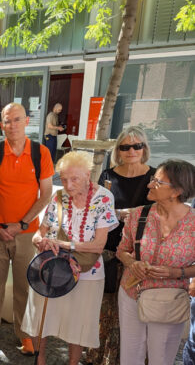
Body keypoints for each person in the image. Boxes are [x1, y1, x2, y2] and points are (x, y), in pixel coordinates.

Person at [21, 151, 118, 365]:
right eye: (64, 179)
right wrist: (39, 241)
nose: (68, 184)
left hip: (87, 272)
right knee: (40, 318)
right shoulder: (58, 196)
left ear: (88, 174)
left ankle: (73, 363)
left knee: (79, 324)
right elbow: (39, 232)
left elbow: (98, 245)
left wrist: (64, 245)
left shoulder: (103, 197)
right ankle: (41, 360)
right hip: (52, 266)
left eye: (74, 178)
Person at [0, 102, 54, 355]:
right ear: (2, 124)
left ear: (27, 121)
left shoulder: (41, 153)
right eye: (7, 121)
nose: (12, 125)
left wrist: (20, 224)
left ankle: (24, 333)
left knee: (24, 285)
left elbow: (45, 195)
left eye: (17, 119)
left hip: (25, 233)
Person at [87, 125, 155, 365]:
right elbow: (95, 208)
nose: (131, 151)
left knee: (137, 310)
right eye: (125, 147)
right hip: (110, 249)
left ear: (144, 148)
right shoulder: (108, 176)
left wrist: (134, 214)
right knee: (107, 307)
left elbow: (161, 210)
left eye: (137, 146)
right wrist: (116, 213)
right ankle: (103, 356)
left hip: (142, 252)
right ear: (118, 150)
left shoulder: (155, 177)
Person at [116, 159, 195, 365]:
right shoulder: (138, 215)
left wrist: (176, 273)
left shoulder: (193, 224)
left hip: (168, 301)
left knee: (161, 358)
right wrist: (131, 263)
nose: (150, 185)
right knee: (130, 356)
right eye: (152, 179)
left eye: (158, 182)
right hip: (132, 293)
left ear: (176, 191)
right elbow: (122, 250)